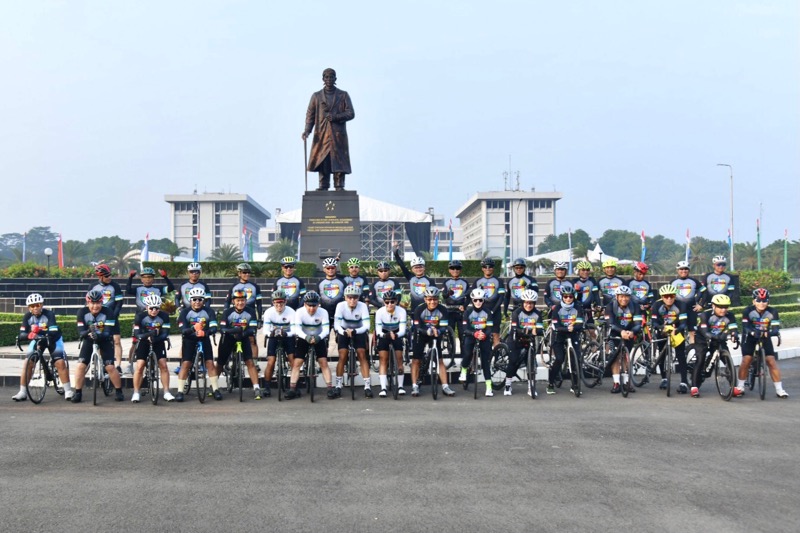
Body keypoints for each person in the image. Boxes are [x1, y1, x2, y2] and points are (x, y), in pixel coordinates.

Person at [302, 67, 355, 191]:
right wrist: (307, 130)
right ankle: (323, 185)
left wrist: (335, 117)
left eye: (331, 77)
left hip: (338, 135)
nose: (329, 79)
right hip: (322, 134)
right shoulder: (316, 96)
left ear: (335, 79)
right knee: (323, 160)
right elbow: (310, 114)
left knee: (338, 160)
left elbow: (351, 113)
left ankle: (339, 185)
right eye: (326, 77)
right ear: (323, 79)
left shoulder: (343, 95)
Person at [13, 293, 73, 401]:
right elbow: (22, 333)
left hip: (53, 339)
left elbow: (53, 330)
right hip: (38, 340)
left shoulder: (49, 314)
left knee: (59, 362)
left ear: (41, 305)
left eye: (38, 305)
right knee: (28, 363)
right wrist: (28, 335)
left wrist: (39, 330)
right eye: (32, 306)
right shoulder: (27, 317)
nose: (35, 308)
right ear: (29, 308)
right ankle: (22, 392)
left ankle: (68, 390)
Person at [71, 290, 125, 403]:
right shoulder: (82, 312)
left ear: (101, 303)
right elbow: (80, 332)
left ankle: (119, 391)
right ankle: (78, 392)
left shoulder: (108, 312)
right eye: (92, 303)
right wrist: (88, 334)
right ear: (87, 303)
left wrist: (98, 335)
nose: (95, 306)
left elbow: (108, 332)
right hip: (89, 340)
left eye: (98, 303)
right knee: (81, 365)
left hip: (104, 340)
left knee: (110, 367)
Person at [735, 288, 787, 398]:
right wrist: (753, 332)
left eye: (764, 300)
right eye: (758, 300)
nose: (761, 303)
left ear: (768, 301)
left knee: (771, 361)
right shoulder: (747, 311)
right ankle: (740, 387)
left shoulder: (773, 312)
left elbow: (775, 328)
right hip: (750, 336)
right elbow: (746, 326)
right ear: (753, 301)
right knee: (746, 360)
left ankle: (779, 389)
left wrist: (772, 332)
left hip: (765, 335)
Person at [175, 287, 223, 402]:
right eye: (194, 299)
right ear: (190, 300)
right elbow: (183, 330)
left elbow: (213, 327)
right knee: (186, 364)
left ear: (204, 301)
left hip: (204, 338)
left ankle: (215, 389)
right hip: (189, 339)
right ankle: (180, 391)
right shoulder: (185, 312)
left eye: (200, 299)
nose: (197, 302)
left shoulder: (209, 311)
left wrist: (206, 332)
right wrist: (193, 329)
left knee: (210, 363)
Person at [125, 266, 175, 374]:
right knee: (135, 342)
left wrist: (165, 277)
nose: (147, 279)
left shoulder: (158, 290)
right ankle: (130, 363)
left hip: (155, 317)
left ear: (153, 279)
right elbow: (128, 290)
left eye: (150, 277)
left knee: (157, 338)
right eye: (145, 277)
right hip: (141, 317)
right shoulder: (138, 289)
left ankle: (154, 360)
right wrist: (130, 277)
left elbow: (171, 288)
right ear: (141, 279)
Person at [410, 287, 456, 397]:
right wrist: (427, 331)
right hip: (421, 334)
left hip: (436, 334)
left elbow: (445, 326)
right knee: (416, 360)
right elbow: (417, 326)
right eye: (429, 299)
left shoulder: (443, 310)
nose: (432, 302)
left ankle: (445, 386)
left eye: (435, 299)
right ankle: (415, 386)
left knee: (439, 360)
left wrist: (438, 331)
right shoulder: (419, 309)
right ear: (425, 299)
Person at [217, 290, 262, 399]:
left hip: (244, 337)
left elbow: (253, 328)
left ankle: (256, 388)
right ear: (233, 301)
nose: (240, 303)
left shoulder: (251, 311)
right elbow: (222, 328)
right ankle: (213, 386)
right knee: (220, 362)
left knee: (250, 362)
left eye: (242, 300)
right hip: (229, 338)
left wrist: (243, 332)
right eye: (238, 300)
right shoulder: (228, 312)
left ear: (246, 301)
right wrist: (232, 331)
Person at [692, 294, 739, 398]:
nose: (723, 310)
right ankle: (694, 387)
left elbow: (733, 328)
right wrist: (712, 336)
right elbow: (704, 331)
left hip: (719, 338)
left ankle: (734, 387)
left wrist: (734, 334)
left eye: (726, 307)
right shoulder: (705, 315)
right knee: (700, 359)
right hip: (702, 339)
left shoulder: (730, 316)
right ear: (713, 306)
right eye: (720, 307)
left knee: (728, 360)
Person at [130, 294, 175, 403]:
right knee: (140, 366)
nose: (154, 310)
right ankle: (136, 392)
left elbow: (165, 333)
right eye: (151, 308)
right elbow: (137, 334)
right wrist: (149, 334)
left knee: (163, 365)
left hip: (158, 341)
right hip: (144, 342)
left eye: (157, 308)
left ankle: (166, 392)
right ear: (146, 307)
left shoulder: (164, 316)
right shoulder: (140, 316)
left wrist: (156, 338)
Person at [292, 291, 336, 399]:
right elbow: (297, 329)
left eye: (314, 305)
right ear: (304, 304)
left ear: (318, 304)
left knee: (323, 362)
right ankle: (292, 388)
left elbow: (326, 329)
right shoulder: (299, 312)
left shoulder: (323, 312)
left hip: (318, 337)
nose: (312, 308)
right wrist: (306, 337)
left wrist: (319, 337)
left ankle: (330, 388)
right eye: (309, 305)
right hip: (304, 337)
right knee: (297, 363)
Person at [333, 286, 373, 398]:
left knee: (361, 354)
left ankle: (367, 386)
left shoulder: (363, 306)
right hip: (344, 331)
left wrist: (355, 331)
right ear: (345, 297)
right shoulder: (340, 306)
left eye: (355, 297)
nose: (352, 300)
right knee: (342, 355)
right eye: (349, 297)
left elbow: (366, 326)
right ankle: (338, 385)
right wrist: (343, 331)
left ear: (358, 298)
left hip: (358, 331)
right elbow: (336, 324)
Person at [650, 284, 689, 394]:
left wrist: (677, 330)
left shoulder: (681, 305)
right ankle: (664, 379)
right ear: (662, 297)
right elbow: (654, 322)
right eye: (666, 296)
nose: (669, 299)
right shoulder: (657, 305)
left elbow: (683, 323)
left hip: (676, 330)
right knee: (662, 354)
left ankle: (684, 382)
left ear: (675, 296)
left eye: (671, 296)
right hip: (662, 330)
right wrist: (661, 328)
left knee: (681, 355)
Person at [503, 289, 543, 397]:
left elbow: (540, 329)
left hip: (529, 340)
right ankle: (507, 385)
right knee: (513, 360)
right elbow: (515, 328)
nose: (528, 305)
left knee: (530, 363)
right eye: (526, 303)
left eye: (531, 303)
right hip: (516, 338)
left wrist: (536, 331)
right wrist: (528, 330)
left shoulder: (537, 313)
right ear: (523, 302)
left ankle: (531, 387)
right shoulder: (517, 313)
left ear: (534, 303)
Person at [546, 285, 584, 395]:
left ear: (574, 297)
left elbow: (580, 323)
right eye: (566, 296)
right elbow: (555, 325)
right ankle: (551, 383)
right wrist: (567, 328)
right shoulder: (557, 308)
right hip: (559, 334)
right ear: (562, 297)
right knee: (559, 359)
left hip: (573, 334)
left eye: (571, 296)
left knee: (576, 359)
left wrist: (574, 327)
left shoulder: (578, 308)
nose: (568, 299)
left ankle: (575, 385)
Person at [605, 285, 642, 394]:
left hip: (629, 333)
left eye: (626, 296)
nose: (624, 299)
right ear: (617, 296)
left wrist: (632, 332)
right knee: (616, 358)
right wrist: (621, 332)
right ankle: (616, 383)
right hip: (615, 333)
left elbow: (638, 323)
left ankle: (626, 383)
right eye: (621, 296)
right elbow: (610, 323)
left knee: (626, 358)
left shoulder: (635, 306)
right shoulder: (610, 306)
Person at [89, 264, 125, 375]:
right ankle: (102, 363)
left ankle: (118, 365)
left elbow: (119, 303)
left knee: (116, 340)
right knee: (99, 340)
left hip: (112, 316)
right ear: (100, 277)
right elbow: (88, 301)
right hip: (98, 317)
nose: (109, 277)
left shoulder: (115, 286)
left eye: (110, 275)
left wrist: (114, 316)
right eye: (106, 276)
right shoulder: (93, 286)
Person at [458, 289, 495, 396]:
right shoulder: (468, 312)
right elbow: (464, 328)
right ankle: (464, 370)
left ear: (483, 300)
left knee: (485, 362)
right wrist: (474, 334)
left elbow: (489, 328)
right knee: (468, 354)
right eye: (475, 300)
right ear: (472, 301)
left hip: (484, 336)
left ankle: (489, 387)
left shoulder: (488, 312)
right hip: (471, 335)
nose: (478, 302)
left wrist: (484, 334)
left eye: (480, 300)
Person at [224, 263, 263, 361]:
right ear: (239, 274)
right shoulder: (234, 286)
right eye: (244, 272)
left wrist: (259, 319)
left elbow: (259, 304)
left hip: (250, 315)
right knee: (230, 338)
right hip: (235, 314)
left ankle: (255, 362)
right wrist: (225, 315)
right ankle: (228, 359)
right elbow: (227, 302)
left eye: (248, 272)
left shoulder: (255, 287)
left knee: (252, 340)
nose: (247, 274)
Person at [263, 289, 297, 399]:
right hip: (274, 337)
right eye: (277, 302)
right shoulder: (268, 312)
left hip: (287, 337)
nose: (279, 305)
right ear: (273, 303)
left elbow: (295, 330)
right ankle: (267, 386)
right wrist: (271, 333)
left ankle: (293, 386)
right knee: (271, 361)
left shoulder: (291, 312)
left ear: (285, 302)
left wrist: (287, 334)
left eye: (281, 302)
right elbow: (265, 330)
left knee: (292, 360)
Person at [374, 290, 407, 397]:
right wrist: (385, 335)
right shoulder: (380, 312)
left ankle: (401, 386)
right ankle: (383, 388)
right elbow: (378, 330)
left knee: (399, 359)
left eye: (392, 302)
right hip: (384, 334)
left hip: (397, 333)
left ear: (396, 302)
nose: (390, 304)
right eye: (387, 302)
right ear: (384, 302)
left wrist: (396, 335)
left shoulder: (401, 311)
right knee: (383, 359)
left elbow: (403, 330)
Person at [471, 257, 506, 347]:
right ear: (482, 268)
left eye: (490, 266)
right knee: (480, 332)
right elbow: (472, 296)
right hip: (481, 309)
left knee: (495, 334)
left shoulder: (499, 281)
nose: (487, 268)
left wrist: (493, 310)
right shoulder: (477, 281)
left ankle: (496, 356)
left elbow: (501, 297)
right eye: (485, 267)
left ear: (493, 268)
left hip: (495, 309)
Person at [670, 260, 704, 344]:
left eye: (686, 269)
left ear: (689, 270)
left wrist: (700, 304)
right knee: (677, 331)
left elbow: (704, 292)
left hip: (691, 309)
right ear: (677, 270)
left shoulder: (694, 281)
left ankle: (693, 352)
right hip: (677, 310)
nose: (683, 271)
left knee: (692, 332)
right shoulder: (672, 282)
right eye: (681, 269)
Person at [394, 250, 435, 314]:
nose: (418, 269)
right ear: (412, 269)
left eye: (420, 267)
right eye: (416, 267)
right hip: (414, 309)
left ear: (424, 268)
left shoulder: (430, 281)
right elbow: (402, 265)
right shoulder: (410, 277)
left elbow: (434, 296)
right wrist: (395, 253)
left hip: (427, 309)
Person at [442, 259, 470, 357]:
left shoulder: (465, 282)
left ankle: (463, 357)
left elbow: (469, 297)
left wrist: (464, 306)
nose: (455, 270)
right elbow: (444, 296)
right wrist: (448, 293)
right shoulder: (446, 282)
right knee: (450, 335)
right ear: (449, 270)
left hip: (460, 311)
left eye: (457, 268)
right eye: (452, 268)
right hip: (449, 310)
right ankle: (451, 356)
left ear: (460, 270)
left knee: (463, 334)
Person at [318, 257, 346, 332]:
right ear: (324, 269)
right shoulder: (320, 283)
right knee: (324, 339)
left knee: (341, 338)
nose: (330, 270)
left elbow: (348, 298)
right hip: (324, 315)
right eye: (328, 268)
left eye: (332, 268)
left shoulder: (343, 282)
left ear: (336, 268)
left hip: (340, 314)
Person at [573, 260, 600, 331]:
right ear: (578, 271)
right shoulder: (574, 281)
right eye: (583, 270)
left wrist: (598, 305)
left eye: (587, 270)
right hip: (576, 308)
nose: (585, 272)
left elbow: (596, 294)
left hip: (588, 308)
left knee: (591, 330)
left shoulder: (592, 280)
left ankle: (592, 342)